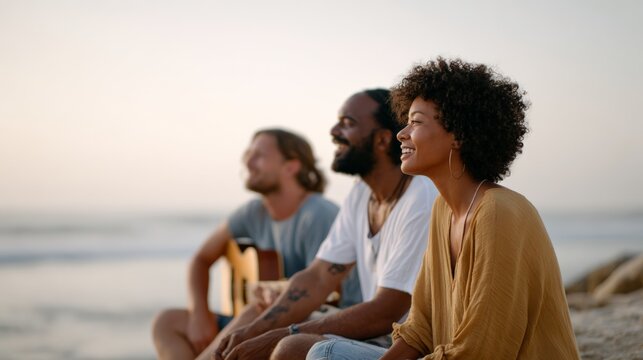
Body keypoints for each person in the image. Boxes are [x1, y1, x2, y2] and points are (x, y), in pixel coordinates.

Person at [308, 58, 580, 359]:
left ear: (458, 135)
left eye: (417, 122)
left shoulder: (499, 213)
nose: (402, 133)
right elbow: (420, 326)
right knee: (323, 352)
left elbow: (484, 351)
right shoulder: (443, 211)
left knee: (325, 353)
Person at [213, 89, 438, 360]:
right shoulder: (361, 193)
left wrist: (284, 333)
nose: (334, 131)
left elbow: (387, 310)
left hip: (408, 346)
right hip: (377, 336)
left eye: (348, 123)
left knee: (291, 346)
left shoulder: (422, 197)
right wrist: (256, 331)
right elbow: (319, 276)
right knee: (258, 315)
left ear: (381, 139)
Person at [152, 128, 345, 360]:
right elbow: (201, 259)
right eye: (248, 153)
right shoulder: (253, 212)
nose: (248, 162)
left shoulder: (318, 215)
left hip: (306, 327)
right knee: (167, 322)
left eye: (259, 155)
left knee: (258, 308)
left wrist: (274, 295)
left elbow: (329, 288)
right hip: (258, 321)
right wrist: (198, 314)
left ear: (290, 167)